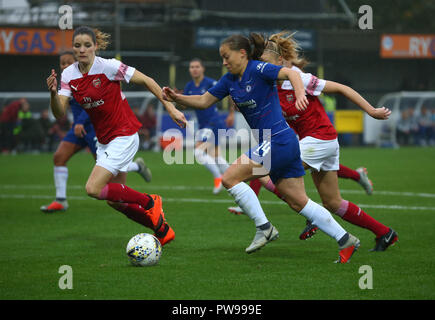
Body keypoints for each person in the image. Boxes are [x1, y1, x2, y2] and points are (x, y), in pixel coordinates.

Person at [163, 33, 360, 263]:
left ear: (242, 53)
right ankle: (345, 239)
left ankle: (264, 227)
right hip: (281, 143)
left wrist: (299, 95)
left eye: (227, 56)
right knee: (298, 202)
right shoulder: (228, 81)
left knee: (230, 178)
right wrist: (177, 98)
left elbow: (290, 73)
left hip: (277, 140)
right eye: (222, 58)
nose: (224, 62)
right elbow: (204, 101)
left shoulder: (258, 69)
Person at [228, 31, 397, 251]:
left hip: (320, 140)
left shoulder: (299, 79)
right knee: (333, 202)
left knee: (264, 173)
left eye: (267, 63)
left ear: (280, 62)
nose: (263, 68)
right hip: (321, 142)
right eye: (261, 63)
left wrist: (372, 111)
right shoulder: (269, 87)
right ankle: (385, 233)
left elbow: (342, 88)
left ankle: (307, 214)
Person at [46, 26, 187, 245]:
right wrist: (54, 93)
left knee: (93, 189)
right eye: (77, 45)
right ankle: (162, 229)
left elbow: (148, 80)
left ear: (95, 46)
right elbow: (59, 113)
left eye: (87, 45)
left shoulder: (109, 66)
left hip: (124, 134)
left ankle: (151, 201)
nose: (82, 49)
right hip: (104, 140)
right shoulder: (68, 74)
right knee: (115, 201)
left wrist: (170, 108)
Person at [41, 50, 153, 213]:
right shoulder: (68, 78)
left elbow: (95, 104)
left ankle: (136, 169)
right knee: (59, 157)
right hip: (77, 129)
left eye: (68, 62)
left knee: (104, 171)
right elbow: (60, 111)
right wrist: (53, 94)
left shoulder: (95, 74)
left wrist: (80, 122)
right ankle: (61, 199)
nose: (65, 65)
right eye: (62, 63)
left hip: (94, 128)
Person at [183, 58, 230, 194]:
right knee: (215, 156)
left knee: (198, 152)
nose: (195, 69)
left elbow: (228, 94)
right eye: (192, 67)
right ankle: (234, 179)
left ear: (203, 68)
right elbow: (184, 105)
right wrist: (176, 97)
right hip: (203, 125)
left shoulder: (210, 83)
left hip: (213, 122)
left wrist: (231, 113)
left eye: (197, 66)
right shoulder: (189, 86)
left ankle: (219, 178)